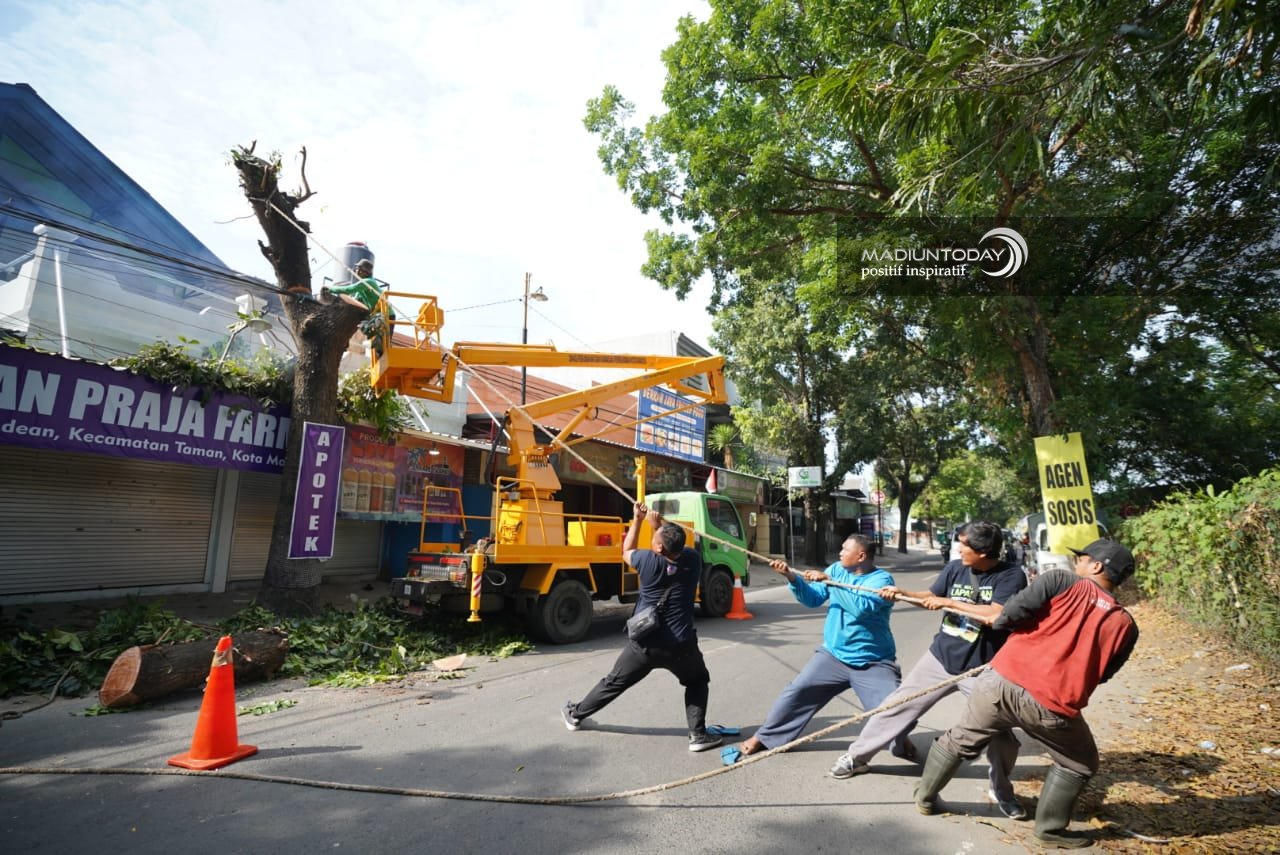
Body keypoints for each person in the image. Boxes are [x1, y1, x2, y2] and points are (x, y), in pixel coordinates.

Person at [913, 538, 1140, 849]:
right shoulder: (1126, 625)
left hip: (999, 681)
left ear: (1097, 566)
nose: (1077, 562)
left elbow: (1009, 615)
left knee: (960, 739)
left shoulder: (1059, 580)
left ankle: (925, 799)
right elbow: (1102, 675)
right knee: (1080, 764)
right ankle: (1049, 831)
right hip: (1051, 704)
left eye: (1083, 558)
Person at [828, 521, 1030, 820]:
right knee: (896, 706)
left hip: (982, 669)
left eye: (964, 545)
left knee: (1001, 734)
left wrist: (948, 602)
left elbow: (996, 613)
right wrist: (902, 592)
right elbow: (931, 596)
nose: (958, 549)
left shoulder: (1011, 575)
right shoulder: (955, 568)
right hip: (940, 658)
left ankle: (1001, 789)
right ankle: (857, 757)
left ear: (983, 551)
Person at [561, 502, 722, 752]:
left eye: (656, 538)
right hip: (682, 646)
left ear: (658, 547)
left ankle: (576, 714)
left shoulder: (648, 562)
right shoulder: (692, 560)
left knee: (613, 682)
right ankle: (698, 736)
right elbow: (673, 546)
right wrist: (658, 527)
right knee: (697, 682)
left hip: (645, 645)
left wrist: (637, 520)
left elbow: (626, 550)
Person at [732, 533, 904, 758]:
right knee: (796, 693)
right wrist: (791, 577)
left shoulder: (881, 580)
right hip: (833, 655)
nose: (840, 553)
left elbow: (860, 608)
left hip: (873, 661)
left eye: (845, 549)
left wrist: (829, 582)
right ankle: (764, 737)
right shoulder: (836, 570)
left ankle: (900, 742)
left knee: (893, 708)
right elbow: (812, 599)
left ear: (861, 556)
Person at [324, 258, 394, 353]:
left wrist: (331, 289)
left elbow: (349, 289)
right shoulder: (363, 286)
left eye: (358, 268)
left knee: (382, 347)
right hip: (376, 316)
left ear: (364, 271)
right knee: (377, 346)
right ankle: (345, 339)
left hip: (386, 316)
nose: (356, 270)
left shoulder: (368, 282)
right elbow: (354, 298)